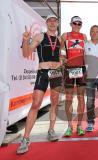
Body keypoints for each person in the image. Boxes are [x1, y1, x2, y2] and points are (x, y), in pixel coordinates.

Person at [17, 15, 62, 154]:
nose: (52, 23)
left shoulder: (60, 40)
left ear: (58, 23)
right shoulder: (39, 36)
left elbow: (59, 56)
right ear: (46, 23)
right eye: (50, 21)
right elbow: (26, 53)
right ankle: (25, 139)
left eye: (55, 20)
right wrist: (25, 40)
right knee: (35, 104)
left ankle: (51, 130)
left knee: (54, 102)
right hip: (43, 72)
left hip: (56, 73)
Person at [61, 16, 87, 136]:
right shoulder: (65, 35)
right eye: (75, 23)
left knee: (81, 98)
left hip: (81, 68)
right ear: (71, 24)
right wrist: (62, 60)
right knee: (69, 98)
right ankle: (69, 126)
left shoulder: (84, 37)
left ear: (81, 25)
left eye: (79, 23)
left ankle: (80, 125)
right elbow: (60, 51)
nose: (77, 25)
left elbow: (87, 53)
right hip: (69, 68)